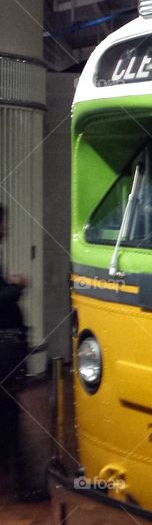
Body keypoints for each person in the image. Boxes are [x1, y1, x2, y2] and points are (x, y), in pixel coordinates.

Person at [0, 203, 28, 494]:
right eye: (2, 223)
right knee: (8, 409)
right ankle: (19, 482)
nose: (5, 229)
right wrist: (17, 286)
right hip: (4, 345)